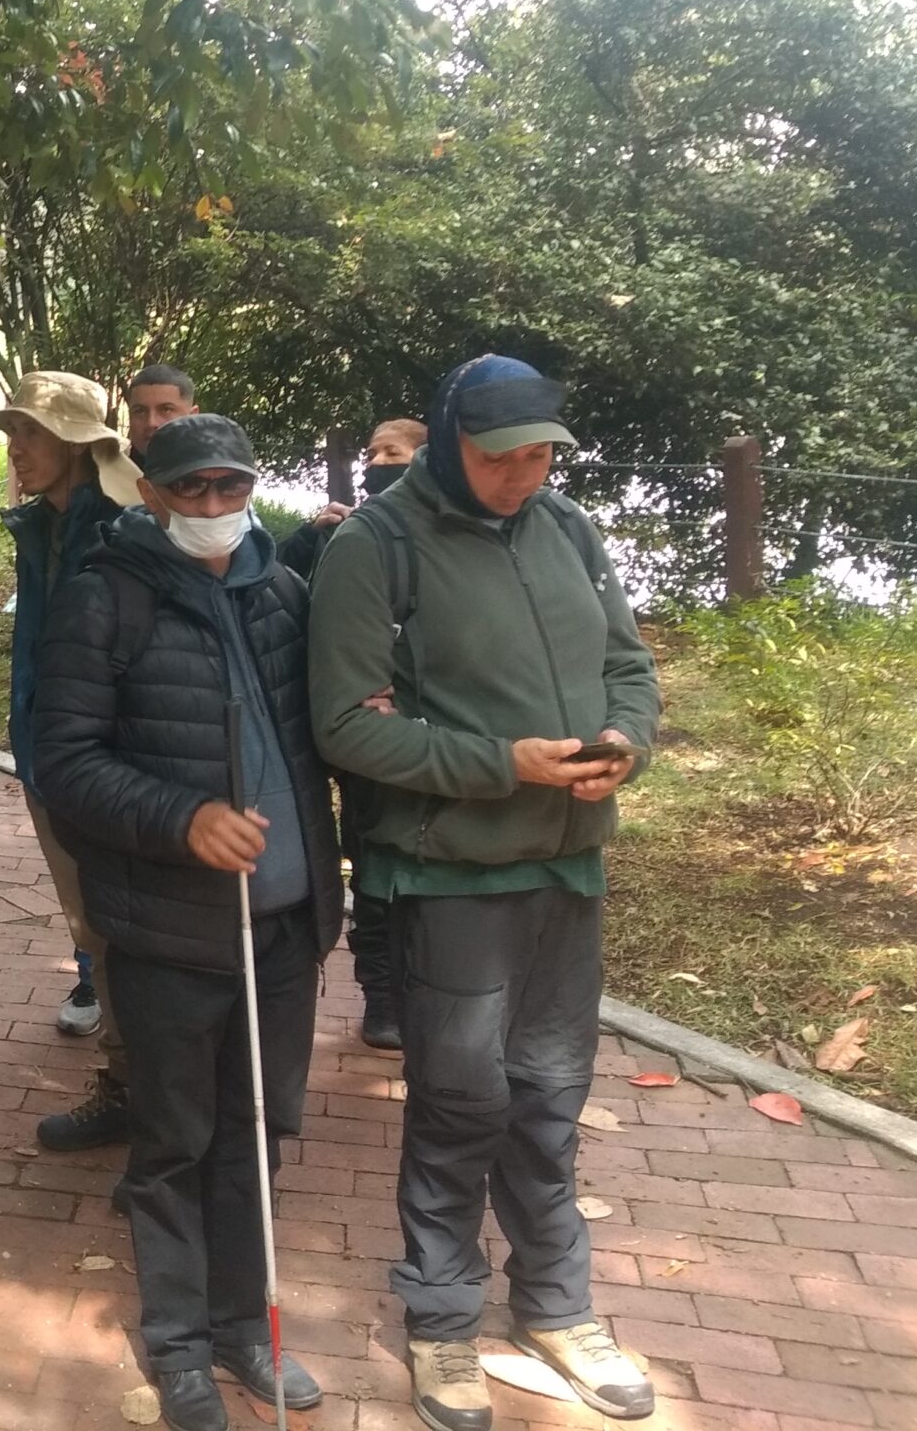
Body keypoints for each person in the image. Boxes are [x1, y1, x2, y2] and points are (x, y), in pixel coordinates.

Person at [309, 356, 659, 1431]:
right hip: (450, 870)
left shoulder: (569, 530)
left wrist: (624, 742)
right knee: (462, 1104)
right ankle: (442, 1319)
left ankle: (556, 1306)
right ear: (452, 439)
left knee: (550, 1100)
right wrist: (501, 764)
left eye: (543, 453)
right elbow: (345, 726)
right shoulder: (377, 546)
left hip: (567, 860)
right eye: (502, 456)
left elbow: (630, 668)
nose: (525, 473)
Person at [33, 414, 339, 1431]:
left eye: (230, 486)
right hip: (170, 930)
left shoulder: (282, 590)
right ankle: (177, 1347)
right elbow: (64, 761)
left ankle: (245, 1326)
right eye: (192, 488)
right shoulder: (104, 597)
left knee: (256, 1135)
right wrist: (181, 818)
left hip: (281, 926)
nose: (214, 505)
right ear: (154, 493)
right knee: (174, 1143)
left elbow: (321, 734)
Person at [0, 371, 144, 1153]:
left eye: (33, 433)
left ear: (78, 443)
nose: (17, 449)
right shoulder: (42, 526)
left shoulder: (121, 528)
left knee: (125, 931)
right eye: (13, 433)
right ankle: (133, 1084)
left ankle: (145, 1094)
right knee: (96, 928)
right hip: (49, 758)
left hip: (109, 767)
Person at [273, 416, 425, 1049]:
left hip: (437, 740)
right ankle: (381, 995)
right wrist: (310, 539)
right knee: (371, 866)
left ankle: (428, 993)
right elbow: (295, 607)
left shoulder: (445, 538)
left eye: (393, 452)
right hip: (364, 741)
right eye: (372, 453)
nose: (377, 463)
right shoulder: (350, 534)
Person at [277, 419, 426, 581]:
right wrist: (311, 535)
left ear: (423, 460)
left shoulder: (441, 524)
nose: (375, 461)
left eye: (392, 453)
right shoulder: (349, 525)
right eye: (370, 456)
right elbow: (273, 575)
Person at [122, 363, 199, 467]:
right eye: (140, 411)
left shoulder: (216, 473)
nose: (151, 423)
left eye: (166, 409)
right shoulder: (107, 474)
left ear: (193, 416)